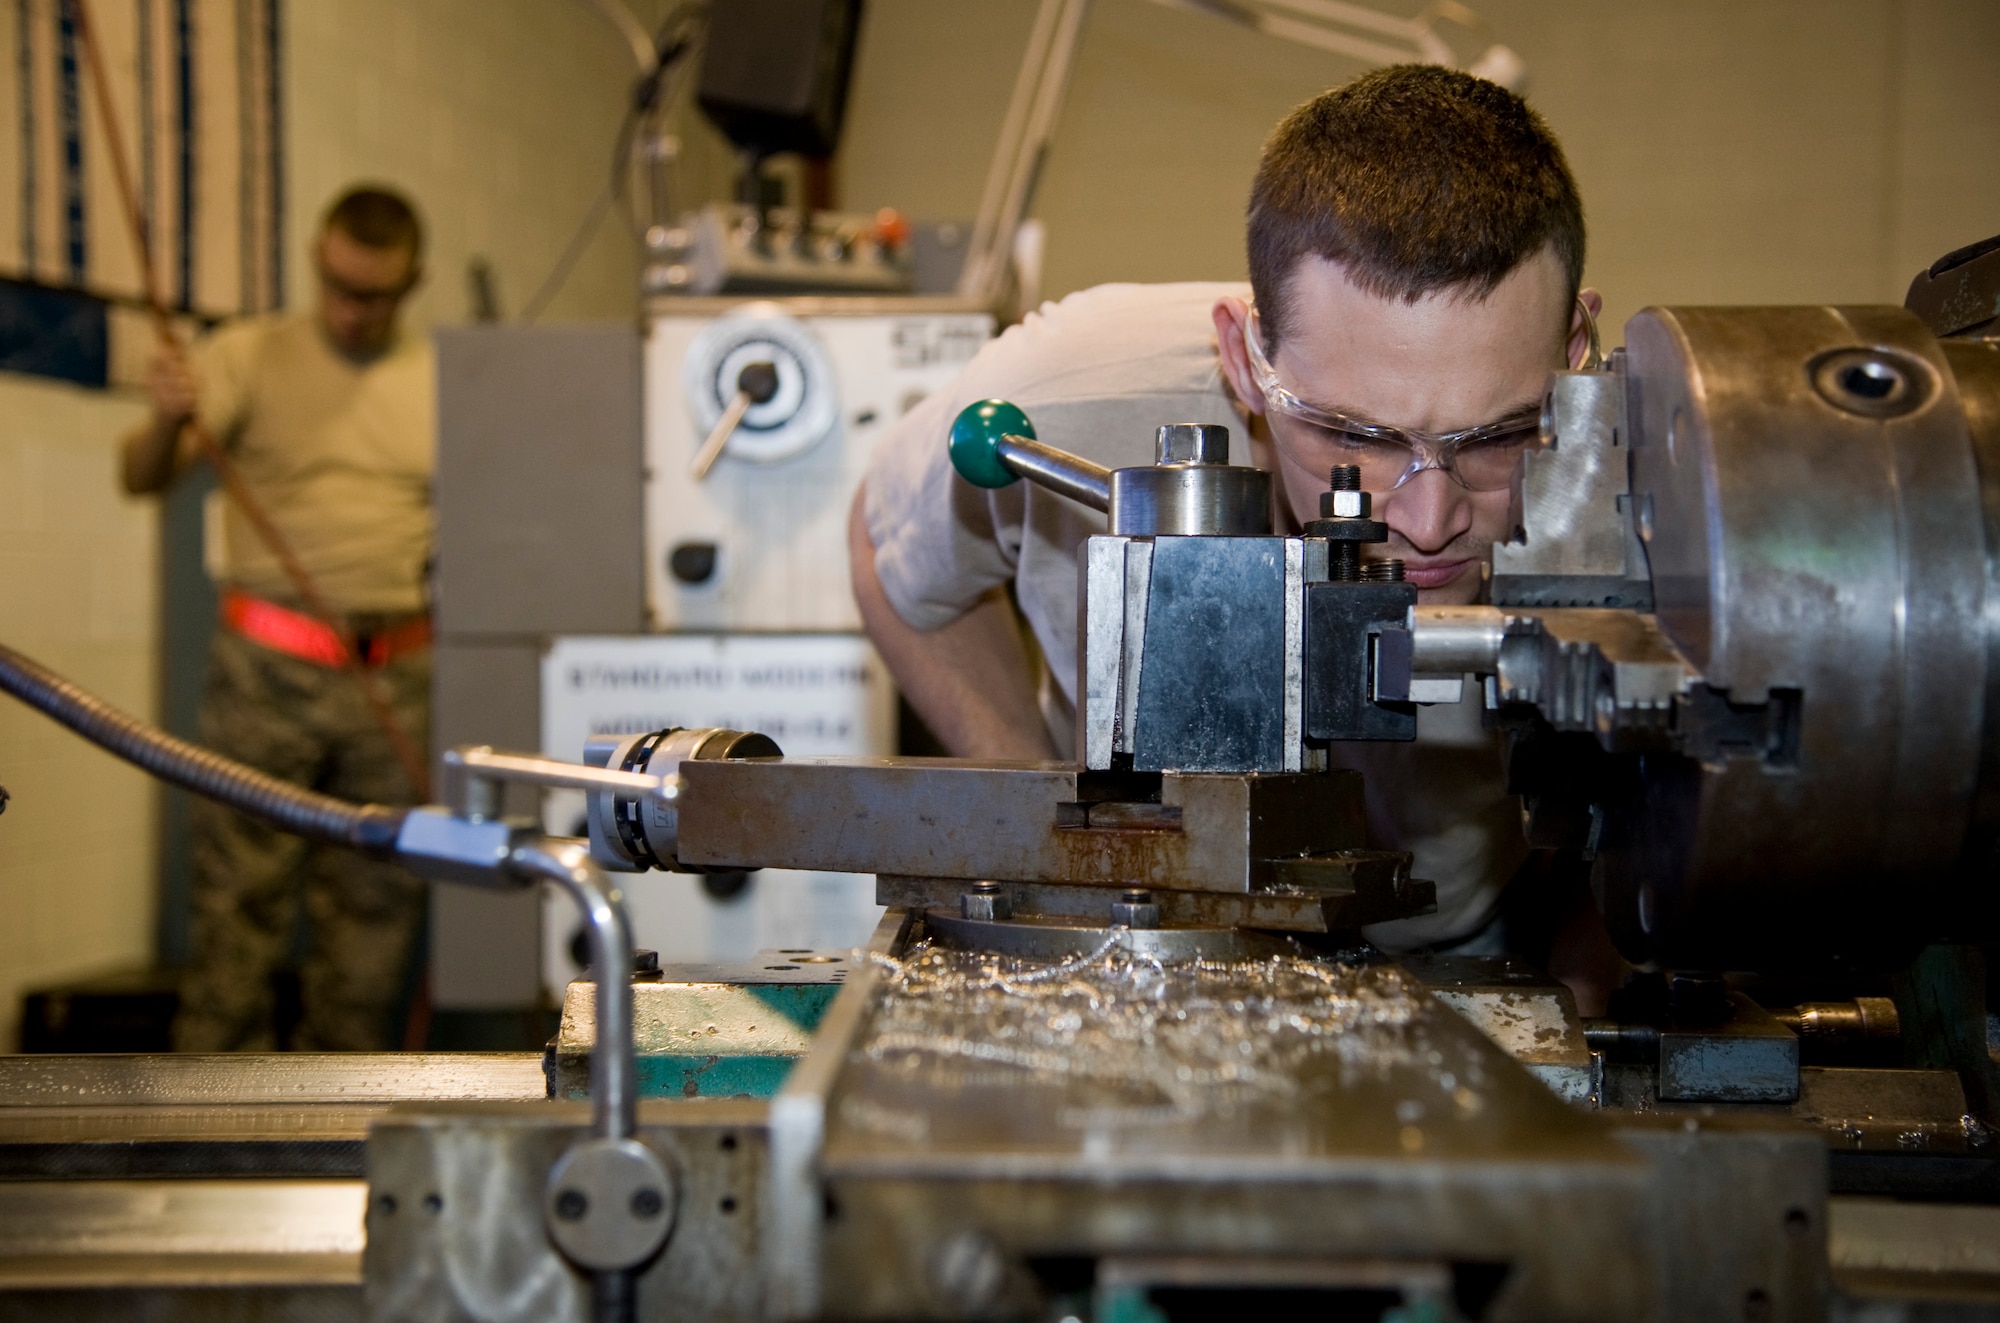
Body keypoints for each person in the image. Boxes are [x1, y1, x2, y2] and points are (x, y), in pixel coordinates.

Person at [851, 67, 1621, 1005]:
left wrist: (1587, 960)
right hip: (1136, 952)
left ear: (1576, 349)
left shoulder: (1646, 469)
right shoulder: (1075, 396)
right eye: (1355, 436)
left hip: (1475, 946)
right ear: (1245, 358)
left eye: (1498, 435)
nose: (1428, 522)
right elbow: (883, 547)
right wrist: (1034, 804)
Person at [123, 185, 436, 1051]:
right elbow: (143, 477)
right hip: (266, 673)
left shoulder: (438, 379)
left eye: (374, 295)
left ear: (413, 284)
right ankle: (212, 1137)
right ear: (315, 258)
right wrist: (164, 417)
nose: (351, 309)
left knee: (374, 918)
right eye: (336, 284)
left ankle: (341, 1132)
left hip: (395, 675)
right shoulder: (249, 355)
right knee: (236, 908)